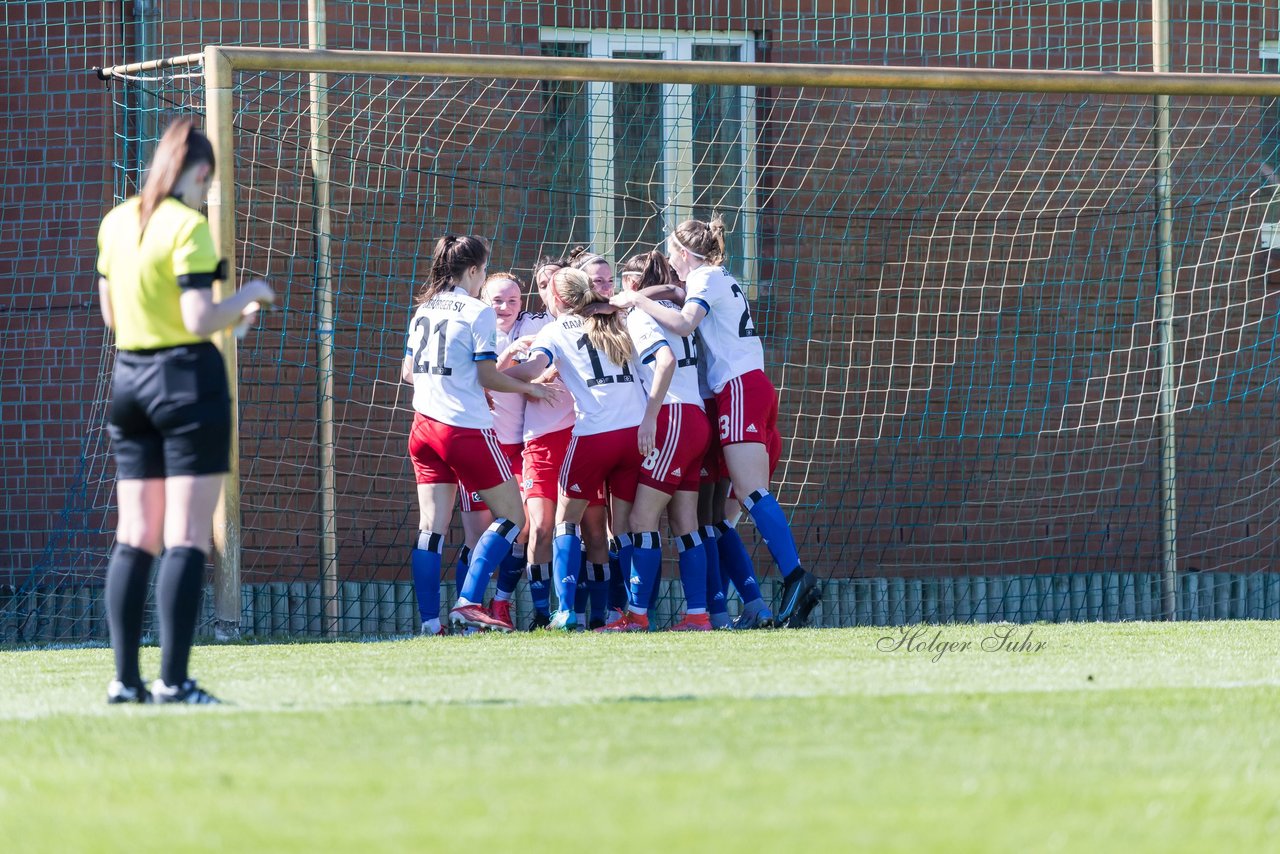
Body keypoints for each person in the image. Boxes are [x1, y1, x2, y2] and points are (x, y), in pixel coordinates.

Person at [96, 117, 275, 704]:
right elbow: (199, 320)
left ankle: (125, 683)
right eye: (208, 184)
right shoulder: (187, 227)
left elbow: (114, 316)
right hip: (186, 385)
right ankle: (174, 681)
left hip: (129, 381)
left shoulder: (116, 222)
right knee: (186, 535)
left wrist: (221, 318)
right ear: (200, 173)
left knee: (134, 534)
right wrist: (249, 296)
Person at [610, 217, 822, 627]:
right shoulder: (714, 276)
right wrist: (638, 294)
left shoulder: (704, 278)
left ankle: (795, 576)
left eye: (672, 252)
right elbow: (673, 290)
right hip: (752, 386)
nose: (669, 260)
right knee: (733, 507)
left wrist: (635, 301)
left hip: (737, 388)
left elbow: (684, 322)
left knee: (746, 492)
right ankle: (769, 592)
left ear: (687, 254)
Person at [401, 235, 555, 634]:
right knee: (512, 516)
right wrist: (528, 388)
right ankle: (469, 601)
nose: (484, 275)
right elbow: (487, 374)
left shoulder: (424, 309)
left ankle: (430, 624)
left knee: (430, 528)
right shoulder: (477, 312)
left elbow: (407, 373)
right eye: (484, 269)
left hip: (422, 426)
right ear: (473, 270)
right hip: (463, 428)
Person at [508, 267, 660, 631]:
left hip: (595, 434)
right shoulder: (614, 319)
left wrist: (488, 376)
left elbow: (532, 370)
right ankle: (630, 612)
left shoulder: (556, 329)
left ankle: (565, 612)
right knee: (623, 528)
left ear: (558, 299)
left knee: (566, 520)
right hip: (635, 431)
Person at [613, 251, 714, 631]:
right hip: (696, 418)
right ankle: (698, 615)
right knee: (685, 521)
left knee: (641, 519)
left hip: (673, 418)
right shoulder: (668, 308)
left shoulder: (642, 314)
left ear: (632, 283)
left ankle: (637, 615)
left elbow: (665, 361)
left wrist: (650, 416)